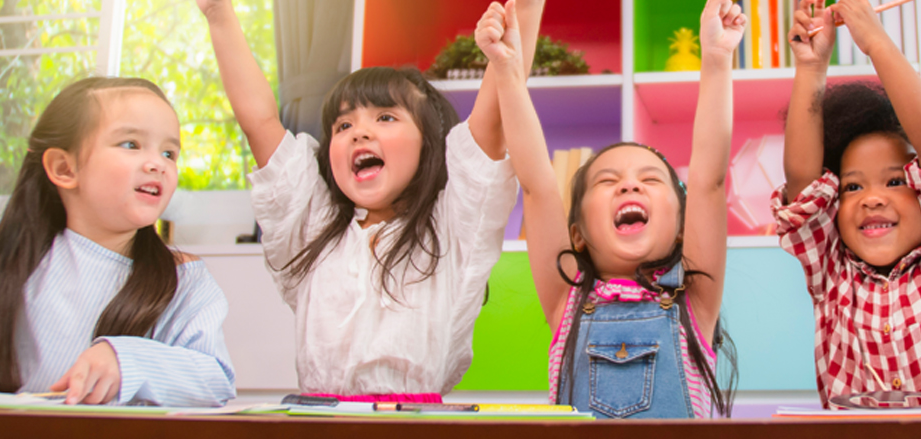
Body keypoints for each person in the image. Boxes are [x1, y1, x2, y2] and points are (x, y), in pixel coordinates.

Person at [197, 0, 544, 401]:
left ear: (428, 145)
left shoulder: (453, 229)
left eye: (385, 117)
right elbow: (258, 121)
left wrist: (524, 15)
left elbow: (496, 116)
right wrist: (219, 14)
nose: (359, 133)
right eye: (343, 125)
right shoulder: (312, 227)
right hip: (316, 424)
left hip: (412, 427)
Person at [0, 77, 236, 407]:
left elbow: (215, 381)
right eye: (131, 144)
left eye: (169, 153)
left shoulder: (185, 282)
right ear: (63, 167)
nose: (157, 164)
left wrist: (128, 362)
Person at [478, 0, 743, 418]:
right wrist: (508, 72)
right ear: (578, 233)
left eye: (651, 179)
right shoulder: (566, 298)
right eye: (608, 181)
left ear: (681, 228)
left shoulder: (695, 298)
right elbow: (538, 188)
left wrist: (716, 58)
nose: (630, 183)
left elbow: (709, 183)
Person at [774, 0, 921, 407]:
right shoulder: (832, 273)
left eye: (895, 181)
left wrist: (875, 41)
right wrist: (810, 67)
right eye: (852, 187)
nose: (872, 198)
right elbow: (803, 184)